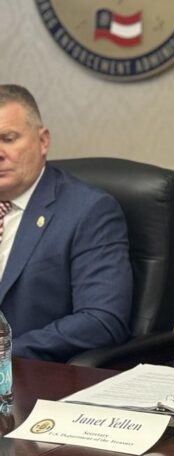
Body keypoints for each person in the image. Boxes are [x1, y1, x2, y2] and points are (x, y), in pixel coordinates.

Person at [0, 84, 131, 361]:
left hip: (27, 373)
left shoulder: (89, 211)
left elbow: (101, 319)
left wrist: (8, 352)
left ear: (43, 141)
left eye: (8, 138)